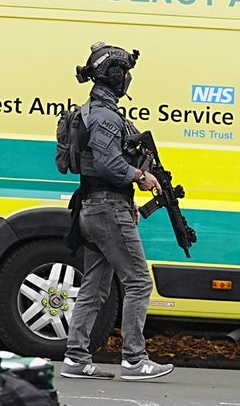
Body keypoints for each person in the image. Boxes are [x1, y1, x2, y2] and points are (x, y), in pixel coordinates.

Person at [60, 41, 175, 381]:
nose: (126, 78)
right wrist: (140, 176)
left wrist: (128, 201)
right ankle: (135, 360)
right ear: (112, 76)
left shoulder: (89, 110)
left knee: (95, 286)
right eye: (123, 72)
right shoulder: (107, 116)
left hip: (95, 208)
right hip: (107, 210)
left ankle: (76, 358)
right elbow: (110, 163)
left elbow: (101, 166)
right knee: (138, 282)